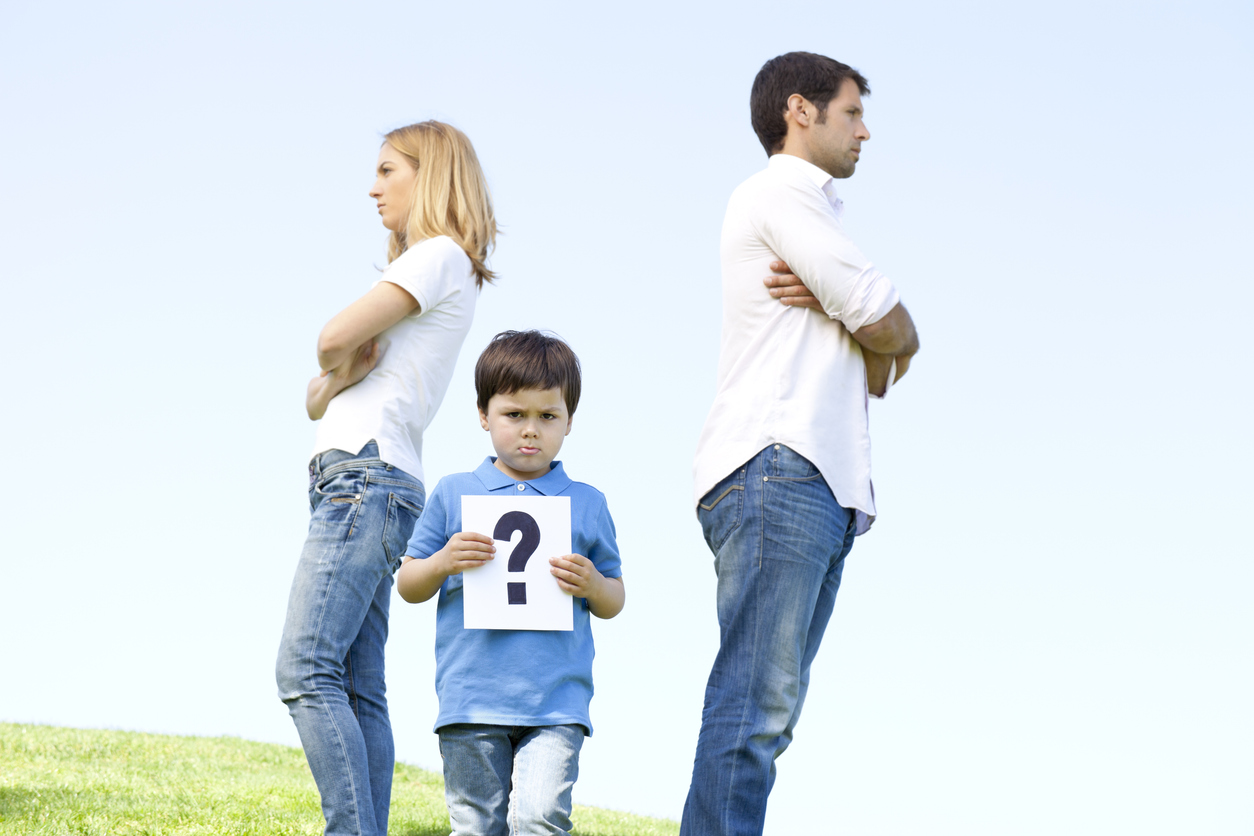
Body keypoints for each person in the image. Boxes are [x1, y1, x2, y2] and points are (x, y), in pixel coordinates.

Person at [683, 52, 921, 835]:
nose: (865, 131)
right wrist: (863, 321)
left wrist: (847, 317)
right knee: (754, 711)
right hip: (779, 467)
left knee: (769, 714)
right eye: (852, 112)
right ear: (801, 111)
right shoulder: (779, 194)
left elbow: (887, 363)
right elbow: (895, 327)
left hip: (813, 482)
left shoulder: (814, 217)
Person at [275, 120, 498, 836]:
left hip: (363, 481)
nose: (372, 187)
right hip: (371, 480)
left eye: (387, 171)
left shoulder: (436, 255)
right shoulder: (435, 266)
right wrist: (340, 370)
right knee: (357, 685)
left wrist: (339, 365)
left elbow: (329, 344)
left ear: (428, 175)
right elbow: (314, 391)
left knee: (304, 670)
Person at [396, 330, 625, 836]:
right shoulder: (455, 492)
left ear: (569, 422)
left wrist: (592, 584)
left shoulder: (587, 502)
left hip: (557, 702)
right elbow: (408, 584)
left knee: (541, 818)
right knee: (476, 825)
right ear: (484, 415)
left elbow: (615, 598)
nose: (531, 431)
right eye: (514, 414)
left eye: (547, 416)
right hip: (472, 697)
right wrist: (442, 561)